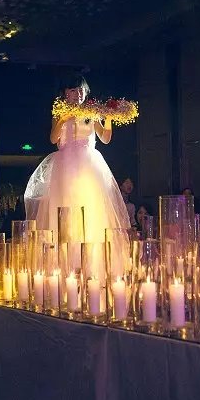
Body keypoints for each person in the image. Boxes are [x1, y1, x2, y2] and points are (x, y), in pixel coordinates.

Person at [24, 74, 131, 266]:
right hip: (65, 166)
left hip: (89, 166)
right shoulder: (59, 112)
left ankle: (91, 261)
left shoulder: (92, 113)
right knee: (65, 208)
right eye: (73, 90)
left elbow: (105, 138)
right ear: (65, 92)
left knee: (91, 208)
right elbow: (53, 139)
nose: (78, 94)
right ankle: (64, 261)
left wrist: (108, 118)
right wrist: (63, 119)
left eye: (81, 90)